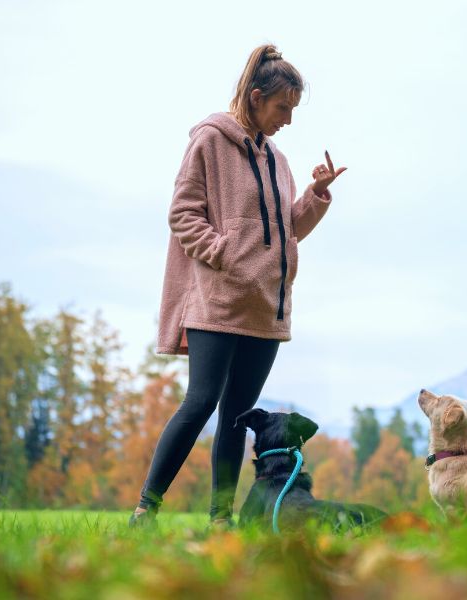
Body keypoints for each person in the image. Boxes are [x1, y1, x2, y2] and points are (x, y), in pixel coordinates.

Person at [133, 43, 347, 528]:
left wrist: (315, 195)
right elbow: (183, 215)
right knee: (201, 402)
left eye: (293, 110)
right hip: (219, 301)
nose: (288, 119)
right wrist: (225, 256)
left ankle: (220, 520)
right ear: (255, 97)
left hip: (265, 308)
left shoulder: (279, 160)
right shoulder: (209, 141)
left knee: (236, 415)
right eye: (282, 108)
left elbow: (287, 228)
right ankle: (146, 508)